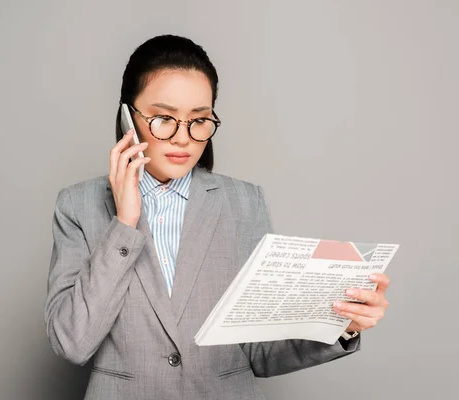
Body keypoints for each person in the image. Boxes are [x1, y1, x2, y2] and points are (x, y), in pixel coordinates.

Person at [44, 34, 391, 400]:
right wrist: (125, 223)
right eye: (163, 118)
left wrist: (341, 325)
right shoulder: (78, 205)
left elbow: (261, 351)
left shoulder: (243, 202)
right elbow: (71, 341)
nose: (183, 138)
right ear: (127, 117)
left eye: (199, 120)